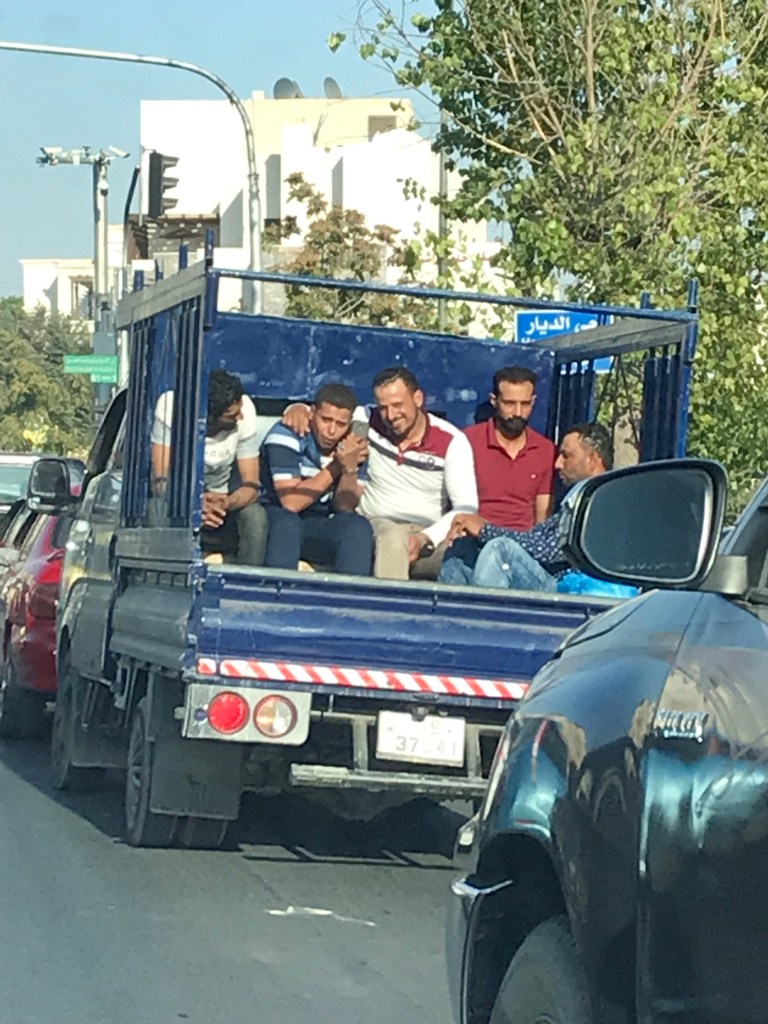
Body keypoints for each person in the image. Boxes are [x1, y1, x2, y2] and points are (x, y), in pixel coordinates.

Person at [282, 367, 478, 580]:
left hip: (428, 532)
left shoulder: (452, 441)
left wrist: (425, 538)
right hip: (377, 523)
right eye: (383, 408)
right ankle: (390, 602)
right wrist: (298, 408)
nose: (391, 416)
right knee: (393, 538)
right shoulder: (366, 421)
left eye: (397, 405)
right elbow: (331, 411)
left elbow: (465, 508)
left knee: (471, 558)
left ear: (418, 399)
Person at [442, 422, 613, 591]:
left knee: (500, 550)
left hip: (567, 589)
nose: (557, 464)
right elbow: (535, 537)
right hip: (550, 578)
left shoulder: (599, 502)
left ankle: (483, 609)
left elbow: (548, 551)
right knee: (462, 547)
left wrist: (485, 530)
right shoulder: (577, 499)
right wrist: (482, 529)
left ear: (592, 460)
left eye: (566, 456)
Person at [440, 366, 556, 585]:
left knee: (497, 549)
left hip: (520, 550)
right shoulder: (468, 442)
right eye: (509, 403)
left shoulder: (545, 450)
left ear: (533, 401)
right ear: (494, 401)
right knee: (457, 555)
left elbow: (542, 519)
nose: (518, 412)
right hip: (472, 541)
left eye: (525, 404)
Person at [151, 369, 267, 565]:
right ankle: (164, 572)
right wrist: (194, 504)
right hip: (179, 501)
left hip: (223, 503)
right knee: (157, 509)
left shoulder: (245, 409)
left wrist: (226, 503)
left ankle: (247, 578)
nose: (240, 417)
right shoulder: (169, 407)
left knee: (255, 516)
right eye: (231, 415)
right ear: (208, 416)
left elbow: (251, 486)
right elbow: (160, 480)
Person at [261, 383, 373, 575]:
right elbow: (291, 502)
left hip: (317, 523)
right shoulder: (288, 433)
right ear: (312, 413)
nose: (331, 431)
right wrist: (336, 466)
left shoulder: (354, 446)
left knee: (357, 527)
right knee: (288, 524)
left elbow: (345, 507)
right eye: (326, 420)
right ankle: (278, 590)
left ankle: (349, 592)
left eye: (340, 424)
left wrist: (349, 469)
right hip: (275, 516)